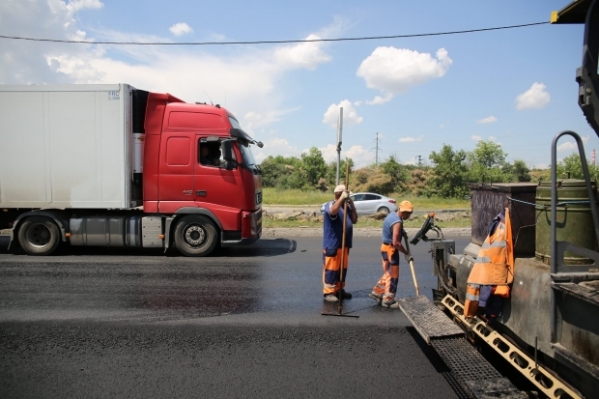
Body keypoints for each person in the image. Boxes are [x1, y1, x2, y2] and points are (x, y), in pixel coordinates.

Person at [369, 200, 414, 308]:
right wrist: (406, 253)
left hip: (384, 248)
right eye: (405, 212)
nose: (406, 214)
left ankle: (378, 292)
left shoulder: (392, 216)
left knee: (388, 272)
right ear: (400, 209)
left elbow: (392, 229)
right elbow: (396, 243)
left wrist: (401, 231)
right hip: (391, 249)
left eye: (408, 212)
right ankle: (388, 299)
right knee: (393, 275)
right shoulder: (397, 222)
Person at [322, 184, 358, 302]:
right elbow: (332, 212)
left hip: (344, 245)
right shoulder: (331, 205)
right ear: (339, 194)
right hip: (333, 244)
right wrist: (342, 199)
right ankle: (329, 292)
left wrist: (351, 205)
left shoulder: (346, 207)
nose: (348, 197)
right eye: (346, 195)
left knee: (342, 269)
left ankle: (339, 289)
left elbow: (354, 220)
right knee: (332, 270)